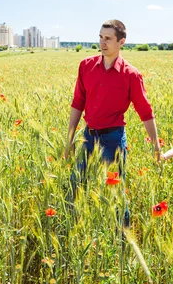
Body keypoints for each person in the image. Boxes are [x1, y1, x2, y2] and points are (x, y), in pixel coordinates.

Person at [64, 19, 161, 226]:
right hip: (87, 137)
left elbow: (145, 111)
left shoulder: (131, 75)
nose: (102, 42)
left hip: (113, 140)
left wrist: (156, 145)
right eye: (100, 37)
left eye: (108, 38)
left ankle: (123, 240)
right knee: (75, 186)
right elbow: (77, 103)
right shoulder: (86, 66)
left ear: (121, 42)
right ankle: (75, 231)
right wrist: (69, 139)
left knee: (116, 192)